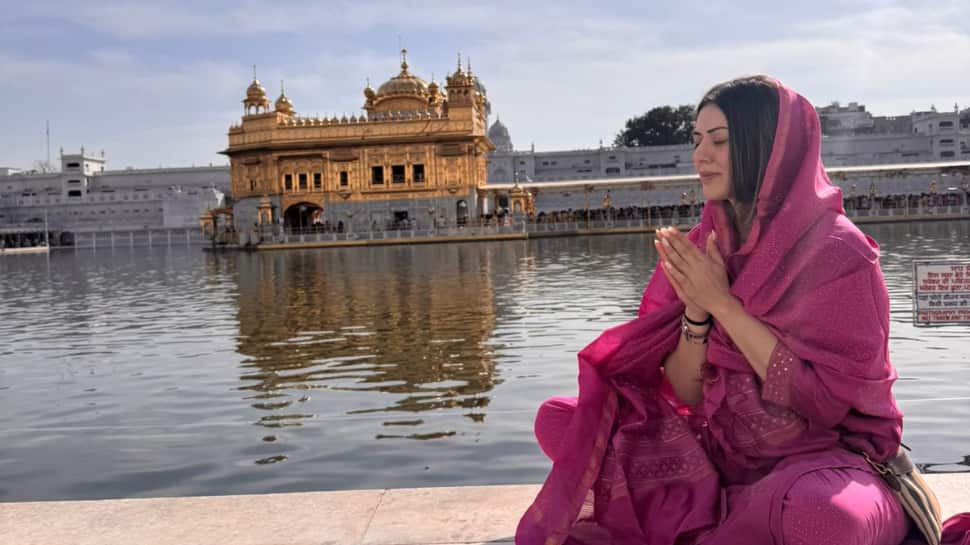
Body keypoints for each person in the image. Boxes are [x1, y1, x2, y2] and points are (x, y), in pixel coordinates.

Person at [517, 76, 970, 545]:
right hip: (727, 457)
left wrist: (723, 305)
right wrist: (697, 312)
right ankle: (736, 513)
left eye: (719, 141)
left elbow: (826, 405)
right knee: (562, 420)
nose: (700, 156)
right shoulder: (707, 246)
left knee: (823, 516)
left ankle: (727, 515)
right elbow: (687, 393)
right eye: (696, 140)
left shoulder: (839, 253)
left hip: (830, 461)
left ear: (768, 147)